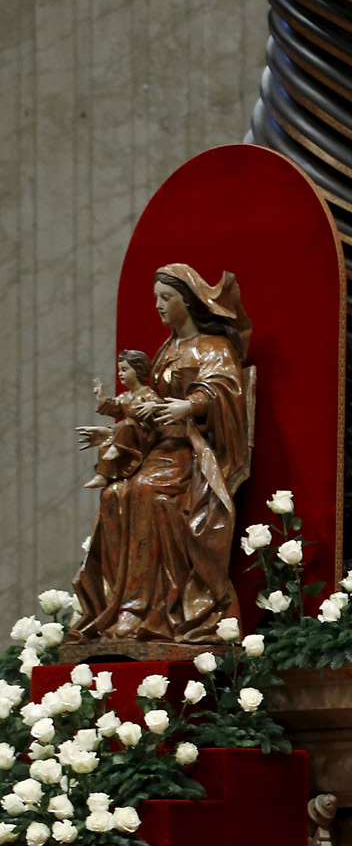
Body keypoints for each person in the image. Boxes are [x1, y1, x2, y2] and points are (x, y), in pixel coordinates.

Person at [72, 264, 253, 643]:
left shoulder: (213, 347)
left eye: (166, 297)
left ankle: (152, 609)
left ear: (187, 302)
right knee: (114, 495)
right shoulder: (166, 350)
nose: (158, 305)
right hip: (157, 447)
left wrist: (188, 407)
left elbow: (226, 389)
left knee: (146, 494)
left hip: (191, 451)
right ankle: (120, 605)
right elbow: (145, 409)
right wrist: (112, 432)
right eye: (156, 297)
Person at [85, 349, 162, 488]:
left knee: (127, 424)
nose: (120, 373)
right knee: (105, 444)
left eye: (125, 369)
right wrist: (102, 399)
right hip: (127, 434)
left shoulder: (148, 393)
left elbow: (162, 406)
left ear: (138, 371)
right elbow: (115, 408)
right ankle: (103, 475)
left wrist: (153, 405)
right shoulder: (124, 397)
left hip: (145, 435)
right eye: (119, 370)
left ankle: (117, 448)